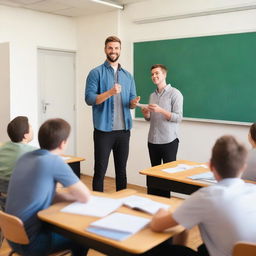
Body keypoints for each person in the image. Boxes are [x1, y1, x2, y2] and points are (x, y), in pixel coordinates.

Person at [150, 135, 256, 256]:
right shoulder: (253, 191)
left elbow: (157, 225)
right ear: (243, 167)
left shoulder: (206, 197)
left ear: (211, 166)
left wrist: (161, 211)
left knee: (162, 250)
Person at [6, 118, 91, 256]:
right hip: (32, 243)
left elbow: (42, 195)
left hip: (12, 237)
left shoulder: (25, 157)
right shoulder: (53, 161)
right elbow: (85, 196)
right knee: (82, 237)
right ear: (63, 143)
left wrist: (64, 197)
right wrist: (72, 197)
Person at [85, 35, 140, 192]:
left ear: (120, 50)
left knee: (121, 171)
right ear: (105, 50)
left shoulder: (128, 76)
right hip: (103, 132)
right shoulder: (96, 73)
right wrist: (110, 92)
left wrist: (133, 103)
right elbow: (89, 99)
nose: (113, 51)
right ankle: (97, 203)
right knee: (100, 171)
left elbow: (130, 102)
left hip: (123, 131)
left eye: (116, 48)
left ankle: (122, 203)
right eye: (110, 48)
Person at [141, 64, 183, 166]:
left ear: (164, 75)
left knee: (168, 175)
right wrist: (146, 114)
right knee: (154, 175)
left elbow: (178, 118)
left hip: (168, 141)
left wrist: (161, 110)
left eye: (157, 73)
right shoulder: (152, 95)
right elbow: (150, 119)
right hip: (152, 141)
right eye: (152, 74)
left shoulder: (175, 93)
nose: (154, 76)